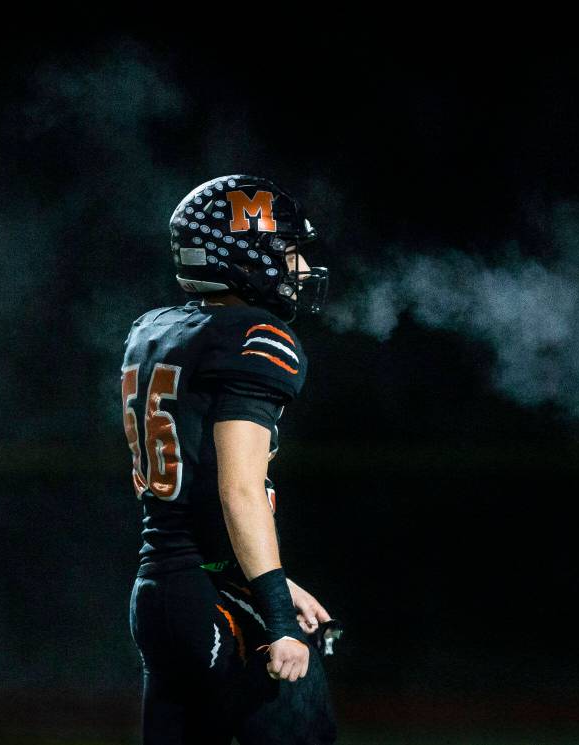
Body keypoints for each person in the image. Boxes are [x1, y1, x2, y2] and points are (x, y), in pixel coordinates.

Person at [122, 175, 338, 744]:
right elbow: (237, 489)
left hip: (159, 589)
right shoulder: (255, 336)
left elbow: (191, 490)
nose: (298, 266)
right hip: (210, 597)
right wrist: (278, 615)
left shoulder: (155, 329)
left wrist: (273, 581)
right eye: (286, 251)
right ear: (248, 257)